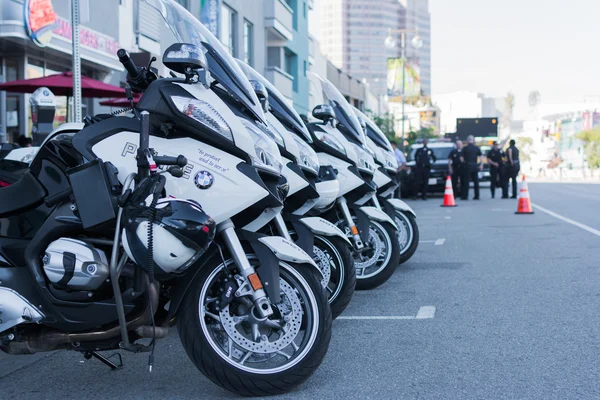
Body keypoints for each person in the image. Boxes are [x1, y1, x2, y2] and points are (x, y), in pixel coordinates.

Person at [461, 135, 483, 200]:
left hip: (467, 165)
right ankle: (477, 195)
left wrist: (464, 163)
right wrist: (481, 165)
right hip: (475, 165)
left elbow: (461, 158)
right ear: (473, 141)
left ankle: (465, 196)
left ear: (467, 141)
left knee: (466, 182)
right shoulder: (476, 148)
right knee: (476, 181)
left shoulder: (464, 148)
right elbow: (481, 157)